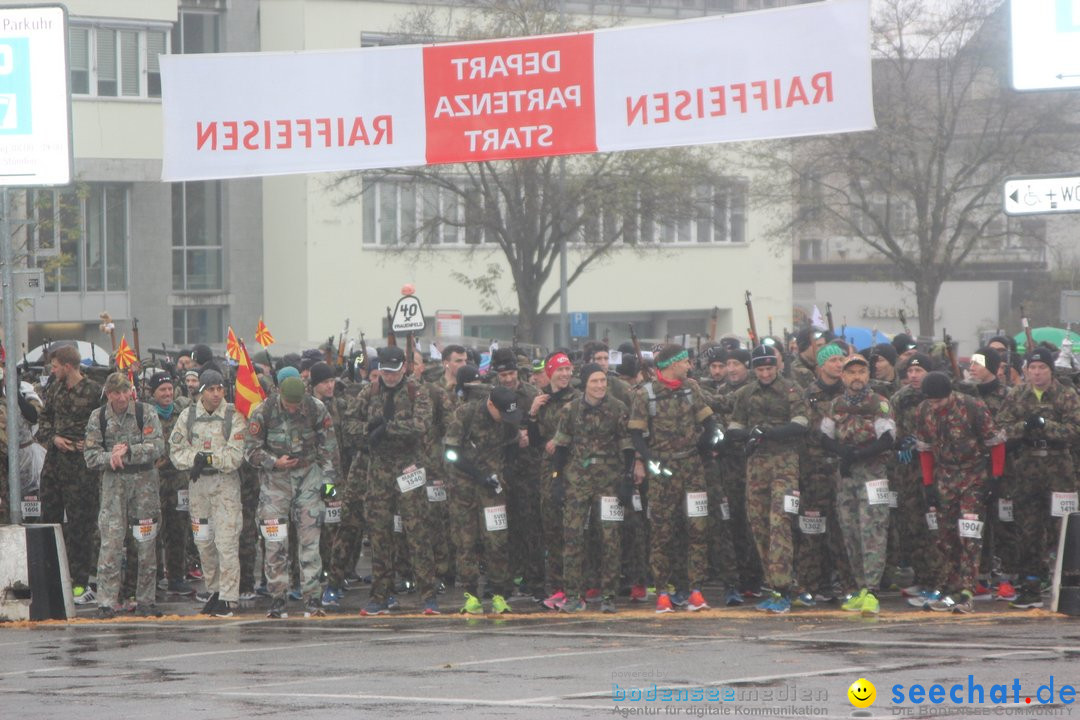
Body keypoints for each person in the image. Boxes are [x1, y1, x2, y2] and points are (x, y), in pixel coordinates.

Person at [628, 344, 722, 613]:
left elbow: (709, 421)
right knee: (661, 532)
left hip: (691, 467)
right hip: (663, 470)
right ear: (672, 364)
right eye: (685, 362)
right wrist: (649, 459)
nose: (689, 366)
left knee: (697, 529)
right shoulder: (645, 394)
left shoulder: (691, 389)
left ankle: (695, 590)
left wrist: (707, 442)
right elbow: (636, 432)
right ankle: (662, 592)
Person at [245, 375, 341, 618]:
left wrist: (329, 489)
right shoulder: (263, 411)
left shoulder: (316, 409)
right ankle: (277, 596)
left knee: (310, 540)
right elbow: (250, 450)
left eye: (296, 405)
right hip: (275, 482)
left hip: (308, 477)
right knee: (275, 542)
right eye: (289, 404)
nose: (293, 408)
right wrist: (274, 462)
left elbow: (329, 450)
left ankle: (312, 597)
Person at [355, 347, 438, 616]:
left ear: (404, 368)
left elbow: (421, 425)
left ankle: (428, 595)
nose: (389, 377)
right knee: (379, 533)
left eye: (394, 371)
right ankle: (380, 595)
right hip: (378, 469)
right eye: (385, 372)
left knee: (417, 531)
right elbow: (347, 425)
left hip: (408, 466)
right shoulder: (369, 392)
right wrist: (368, 429)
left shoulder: (417, 392)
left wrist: (387, 428)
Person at [995, 347, 1080, 609]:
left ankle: (1069, 584)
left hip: (1059, 467)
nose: (1036, 372)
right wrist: (1026, 427)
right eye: (1032, 368)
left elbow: (1075, 430)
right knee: (1028, 528)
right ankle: (1030, 584)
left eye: (1041, 367)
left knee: (1063, 528)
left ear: (1050, 370)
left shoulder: (1066, 394)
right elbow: (1002, 428)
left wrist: (1046, 425)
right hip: (1027, 466)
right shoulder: (1017, 394)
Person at [727, 345, 809, 614]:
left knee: (780, 524)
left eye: (769, 368)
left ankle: (784, 587)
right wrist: (753, 433)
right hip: (756, 467)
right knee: (759, 525)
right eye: (760, 369)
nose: (765, 373)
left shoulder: (791, 390)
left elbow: (800, 424)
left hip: (785, 465)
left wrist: (767, 433)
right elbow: (733, 430)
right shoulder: (745, 394)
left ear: (777, 367)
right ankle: (775, 584)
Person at [915, 371, 1005, 614]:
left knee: (969, 535)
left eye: (938, 401)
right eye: (931, 401)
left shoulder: (973, 407)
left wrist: (995, 478)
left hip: (973, 475)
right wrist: (927, 484)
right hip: (944, 477)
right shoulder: (923, 411)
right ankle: (948, 588)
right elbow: (924, 448)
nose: (934, 405)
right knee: (944, 536)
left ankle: (966, 591)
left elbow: (995, 442)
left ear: (949, 395)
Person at [552, 363, 633, 613]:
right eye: (594, 381)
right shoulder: (570, 410)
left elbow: (627, 446)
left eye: (603, 381)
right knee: (573, 537)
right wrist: (556, 479)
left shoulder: (618, 408)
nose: (599, 386)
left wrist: (627, 478)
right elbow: (561, 447)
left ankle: (608, 596)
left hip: (609, 481)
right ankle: (574, 595)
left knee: (610, 538)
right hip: (577, 480)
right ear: (584, 384)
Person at [83, 372, 165, 618]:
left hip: (144, 485)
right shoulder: (98, 418)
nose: (121, 397)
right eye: (116, 393)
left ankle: (145, 600)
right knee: (111, 542)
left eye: (125, 392)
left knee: (146, 543)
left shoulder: (145, 412)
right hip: (113, 486)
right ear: (108, 394)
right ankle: (106, 601)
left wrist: (129, 451)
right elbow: (90, 455)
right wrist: (111, 457)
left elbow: (157, 446)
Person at [820, 355, 895, 615]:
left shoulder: (879, 403)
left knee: (872, 530)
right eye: (851, 372)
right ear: (842, 376)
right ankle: (860, 587)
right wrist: (843, 453)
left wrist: (859, 454)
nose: (856, 377)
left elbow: (887, 438)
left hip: (873, 473)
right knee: (850, 531)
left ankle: (872, 590)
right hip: (847, 476)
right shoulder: (835, 405)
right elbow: (825, 436)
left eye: (861, 372)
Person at [169, 369, 247, 618]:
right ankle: (214, 590)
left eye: (220, 389)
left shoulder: (233, 416)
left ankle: (228, 596)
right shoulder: (188, 416)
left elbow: (235, 455)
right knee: (204, 543)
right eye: (211, 389)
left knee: (226, 541)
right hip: (198, 486)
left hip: (224, 486)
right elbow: (176, 450)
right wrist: (195, 459)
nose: (216, 394)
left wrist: (209, 458)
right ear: (201, 391)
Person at [445, 384, 522, 614]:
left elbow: (512, 446)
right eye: (502, 413)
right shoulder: (465, 414)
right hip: (464, 486)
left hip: (493, 488)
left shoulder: (508, 420)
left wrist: (503, 473)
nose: (506, 419)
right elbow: (451, 452)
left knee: (497, 540)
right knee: (465, 542)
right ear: (490, 405)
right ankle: (470, 595)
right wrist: (479, 476)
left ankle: (499, 593)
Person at [36, 344, 104, 605]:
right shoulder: (53, 389)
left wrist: (88, 442)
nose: (52, 371)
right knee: (49, 520)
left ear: (67, 366)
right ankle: (50, 577)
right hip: (54, 464)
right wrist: (54, 438)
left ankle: (80, 584)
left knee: (80, 526)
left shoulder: (94, 391)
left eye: (55, 366)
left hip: (81, 468)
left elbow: (103, 425)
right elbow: (43, 421)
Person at [797, 343, 852, 607]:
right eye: (832, 360)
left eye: (841, 359)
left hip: (844, 468)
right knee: (812, 529)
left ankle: (849, 585)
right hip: (814, 470)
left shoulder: (850, 393)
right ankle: (811, 584)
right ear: (820, 365)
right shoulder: (807, 394)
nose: (838, 364)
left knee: (843, 529)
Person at [528, 352, 580, 608]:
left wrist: (560, 441)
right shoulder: (544, 399)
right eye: (559, 370)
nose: (564, 374)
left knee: (573, 531)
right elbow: (535, 442)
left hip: (574, 470)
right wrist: (533, 413)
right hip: (548, 472)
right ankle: (558, 587)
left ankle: (576, 588)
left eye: (568, 369)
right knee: (552, 530)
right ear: (549, 372)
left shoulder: (578, 398)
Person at [145, 372, 194, 597]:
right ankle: (153, 578)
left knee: (178, 529)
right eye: (162, 390)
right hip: (153, 480)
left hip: (179, 479)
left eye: (169, 389)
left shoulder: (182, 413)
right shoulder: (146, 414)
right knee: (152, 530)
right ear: (153, 393)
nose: (167, 393)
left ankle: (176, 576)